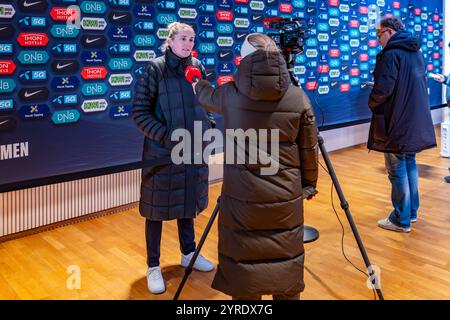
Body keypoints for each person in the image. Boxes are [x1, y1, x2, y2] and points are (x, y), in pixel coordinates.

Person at [192, 33, 319, 300]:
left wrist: (196, 80)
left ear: (244, 60)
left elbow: (206, 95)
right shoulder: (298, 97)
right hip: (285, 197)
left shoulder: (229, 95)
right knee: (285, 264)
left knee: (244, 274)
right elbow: (309, 149)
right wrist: (308, 185)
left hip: (242, 198)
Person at [132, 22, 215, 295]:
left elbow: (205, 103)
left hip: (193, 150)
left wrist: (209, 125)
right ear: (170, 41)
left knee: (187, 203)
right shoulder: (155, 68)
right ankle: (153, 266)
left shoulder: (197, 68)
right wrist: (168, 138)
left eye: (192, 39)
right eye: (183, 38)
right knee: (155, 210)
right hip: (162, 153)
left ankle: (188, 253)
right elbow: (140, 113)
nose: (188, 43)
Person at [368, 16, 437, 233]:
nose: (378, 39)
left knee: (397, 170)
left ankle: (400, 219)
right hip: (413, 121)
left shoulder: (390, 54)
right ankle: (411, 212)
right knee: (410, 165)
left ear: (388, 31)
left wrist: (371, 100)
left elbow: (383, 89)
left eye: (379, 34)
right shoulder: (415, 51)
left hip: (396, 122)